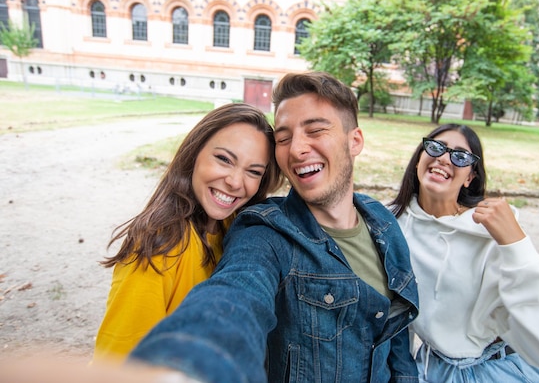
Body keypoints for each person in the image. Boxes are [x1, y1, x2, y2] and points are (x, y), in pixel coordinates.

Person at [126, 71, 420, 383]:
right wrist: (192, 366)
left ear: (354, 141)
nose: (295, 149)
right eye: (283, 138)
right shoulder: (265, 236)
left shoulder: (383, 222)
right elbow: (234, 299)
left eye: (316, 130)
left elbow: (397, 339)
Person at [93, 103, 283, 363]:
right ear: (194, 153)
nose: (236, 182)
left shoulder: (235, 226)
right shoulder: (158, 246)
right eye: (224, 159)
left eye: (253, 172)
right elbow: (119, 365)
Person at [389, 123, 539, 382]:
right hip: (433, 368)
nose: (444, 158)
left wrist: (516, 244)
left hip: (501, 369)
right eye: (435, 147)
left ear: (470, 177)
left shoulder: (489, 229)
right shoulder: (389, 224)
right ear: (419, 158)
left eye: (460, 156)